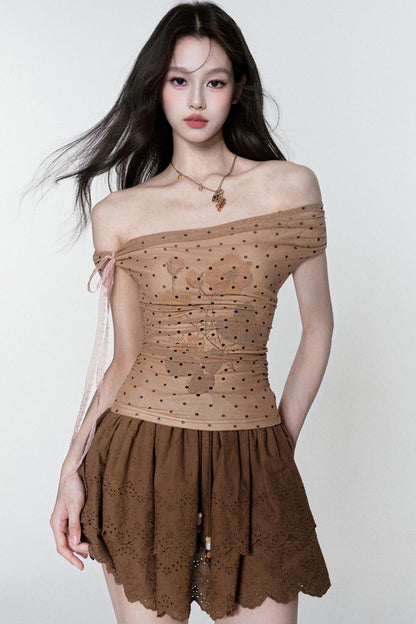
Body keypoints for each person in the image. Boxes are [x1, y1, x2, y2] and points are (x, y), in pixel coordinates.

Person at [44, 2, 334, 622]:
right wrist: (70, 469)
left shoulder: (290, 188)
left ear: (239, 89)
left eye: (215, 81)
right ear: (158, 88)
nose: (196, 99)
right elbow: (125, 359)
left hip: (253, 457)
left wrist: (277, 447)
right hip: (140, 456)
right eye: (179, 80)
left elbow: (318, 330)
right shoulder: (120, 214)